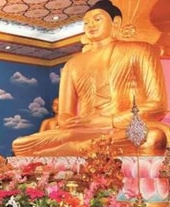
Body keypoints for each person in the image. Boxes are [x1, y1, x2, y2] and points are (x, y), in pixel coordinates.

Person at [12, 0, 168, 157]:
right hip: (83, 130)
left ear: (116, 22)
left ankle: (71, 150)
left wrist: (111, 121)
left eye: (97, 19)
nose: (91, 25)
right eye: (86, 22)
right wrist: (67, 122)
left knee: (153, 137)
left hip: (122, 127)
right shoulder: (72, 64)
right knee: (20, 145)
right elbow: (65, 114)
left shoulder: (140, 50)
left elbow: (157, 105)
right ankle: (81, 149)